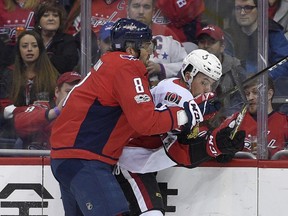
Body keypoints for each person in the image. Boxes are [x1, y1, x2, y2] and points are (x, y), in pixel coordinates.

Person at [49, 18, 205, 216]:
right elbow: (146, 122)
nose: (151, 53)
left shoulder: (109, 64)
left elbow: (133, 119)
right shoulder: (127, 65)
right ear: (132, 50)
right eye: (147, 46)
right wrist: (184, 115)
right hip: (85, 159)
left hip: (67, 159)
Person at [116, 49, 245, 216]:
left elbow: (187, 143)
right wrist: (201, 120)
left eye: (211, 84)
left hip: (142, 164)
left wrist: (220, 143)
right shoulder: (172, 91)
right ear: (189, 74)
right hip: (130, 161)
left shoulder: (190, 98)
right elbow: (177, 137)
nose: (208, 89)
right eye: (204, 82)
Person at [0, 30, 59, 146]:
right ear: (19, 50)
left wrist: (22, 111)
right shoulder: (9, 73)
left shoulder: (53, 75)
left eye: (34, 45)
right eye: (24, 46)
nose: (29, 49)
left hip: (42, 130)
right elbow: (5, 108)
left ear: (40, 49)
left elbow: (54, 105)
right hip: (12, 130)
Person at [220, 77, 288, 159]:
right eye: (247, 94)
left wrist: (270, 154)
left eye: (255, 92)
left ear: (269, 94)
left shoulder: (284, 122)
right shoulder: (235, 121)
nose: (250, 98)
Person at [12, 71, 82, 149]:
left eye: (77, 93)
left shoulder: (86, 113)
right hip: (40, 158)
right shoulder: (43, 107)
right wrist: (55, 112)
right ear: (57, 92)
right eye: (68, 92)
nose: (72, 96)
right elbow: (19, 124)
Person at [127, 0, 187, 87]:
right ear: (127, 9)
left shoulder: (167, 34)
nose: (141, 12)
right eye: (136, 6)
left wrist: (161, 68)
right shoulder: (117, 34)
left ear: (153, 11)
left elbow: (186, 65)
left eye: (146, 7)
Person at [225, 0, 288, 79]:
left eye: (248, 8)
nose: (242, 13)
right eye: (238, 8)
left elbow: (283, 63)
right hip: (235, 86)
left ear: (259, 9)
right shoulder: (228, 35)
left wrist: (265, 78)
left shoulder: (272, 32)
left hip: (266, 86)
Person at [196, 24, 247, 117]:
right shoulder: (189, 66)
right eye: (202, 41)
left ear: (222, 46)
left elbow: (242, 99)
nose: (206, 45)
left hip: (227, 121)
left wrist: (225, 118)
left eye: (211, 42)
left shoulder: (235, 67)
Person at [33, 1, 79, 73]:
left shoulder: (67, 40)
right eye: (46, 15)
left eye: (55, 15)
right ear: (39, 21)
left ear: (60, 20)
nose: (51, 19)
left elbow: (68, 65)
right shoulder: (31, 38)